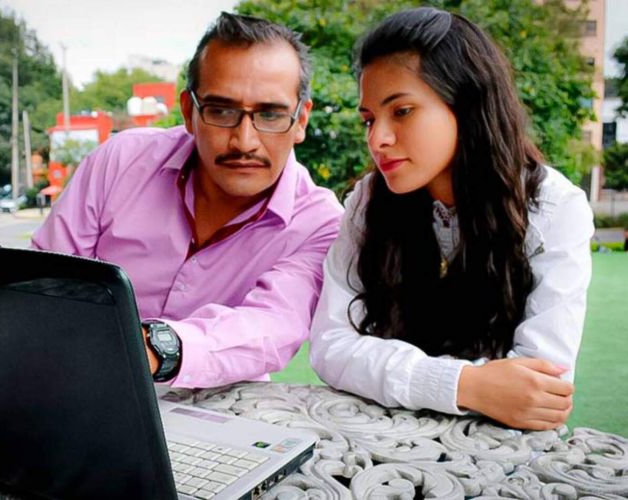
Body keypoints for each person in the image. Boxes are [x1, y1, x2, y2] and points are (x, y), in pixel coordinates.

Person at [309, 7, 594, 431]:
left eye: (401, 111)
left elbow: (540, 389)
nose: (377, 139)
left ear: (468, 103)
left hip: (499, 456)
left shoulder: (552, 207)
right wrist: (466, 384)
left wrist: (386, 370)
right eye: (369, 119)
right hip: (376, 440)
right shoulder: (369, 201)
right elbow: (330, 347)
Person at [32, 12, 343, 388]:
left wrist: (154, 349)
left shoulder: (320, 223)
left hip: (222, 409)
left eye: (270, 114)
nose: (244, 141)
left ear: (301, 120)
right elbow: (46, 278)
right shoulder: (120, 161)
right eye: (221, 111)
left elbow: (272, 325)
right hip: (80, 382)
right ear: (188, 112)